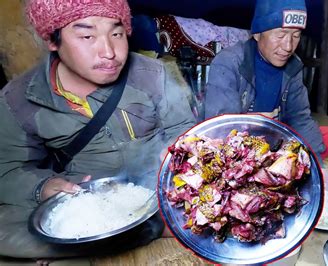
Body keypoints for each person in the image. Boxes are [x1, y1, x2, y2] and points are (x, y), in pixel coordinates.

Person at [0, 0, 196, 259]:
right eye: (87, 35)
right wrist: (44, 187)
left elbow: (184, 130)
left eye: (116, 33)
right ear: (53, 40)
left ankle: (145, 228)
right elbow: (8, 169)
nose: (109, 52)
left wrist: (179, 153)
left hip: (161, 194)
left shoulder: (153, 74)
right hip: (86, 206)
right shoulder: (18, 99)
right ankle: (142, 231)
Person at [204, 0, 328, 162]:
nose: (288, 46)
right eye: (281, 35)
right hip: (239, 146)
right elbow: (219, 129)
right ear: (257, 34)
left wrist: (318, 166)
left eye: (296, 36)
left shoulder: (293, 66)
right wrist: (254, 124)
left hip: (275, 140)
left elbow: (300, 118)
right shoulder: (229, 63)